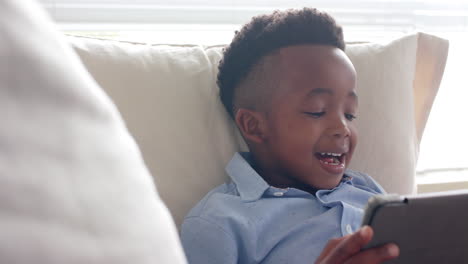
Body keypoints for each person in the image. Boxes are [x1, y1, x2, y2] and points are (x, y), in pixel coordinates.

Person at [181, 7, 399, 264]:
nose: (342, 128)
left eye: (350, 115)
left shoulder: (369, 192)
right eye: (316, 111)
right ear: (254, 126)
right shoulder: (219, 223)